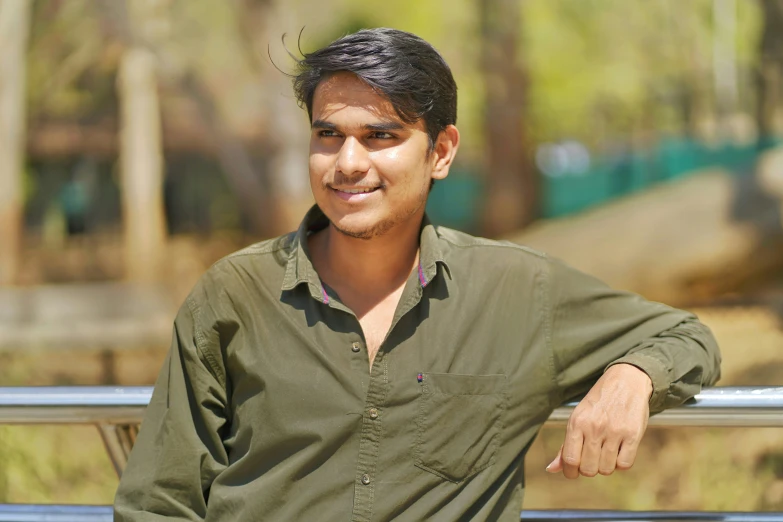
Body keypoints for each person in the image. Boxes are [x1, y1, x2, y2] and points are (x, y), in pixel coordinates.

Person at [114, 27, 721, 521]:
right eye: (328, 135)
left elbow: (689, 338)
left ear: (442, 152)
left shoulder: (517, 290)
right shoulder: (234, 293)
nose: (348, 163)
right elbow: (160, 501)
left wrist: (632, 374)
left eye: (381, 136)